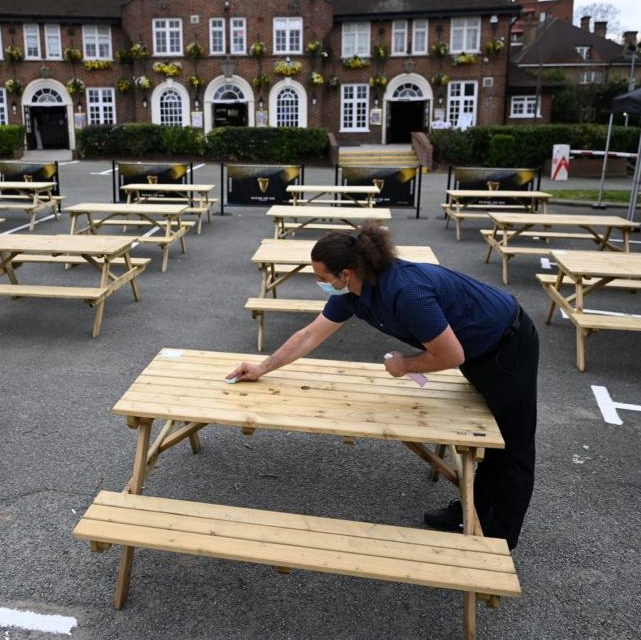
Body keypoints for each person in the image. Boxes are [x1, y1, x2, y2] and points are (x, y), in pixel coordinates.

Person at [229, 223, 538, 549]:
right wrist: (263, 367)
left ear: (345, 273)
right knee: (487, 439)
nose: (319, 283)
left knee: (511, 445)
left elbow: (450, 353)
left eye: (322, 278)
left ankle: (498, 540)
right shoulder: (351, 293)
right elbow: (310, 335)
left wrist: (405, 365)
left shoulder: (406, 292)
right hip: (476, 348)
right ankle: (469, 511)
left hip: (508, 344)